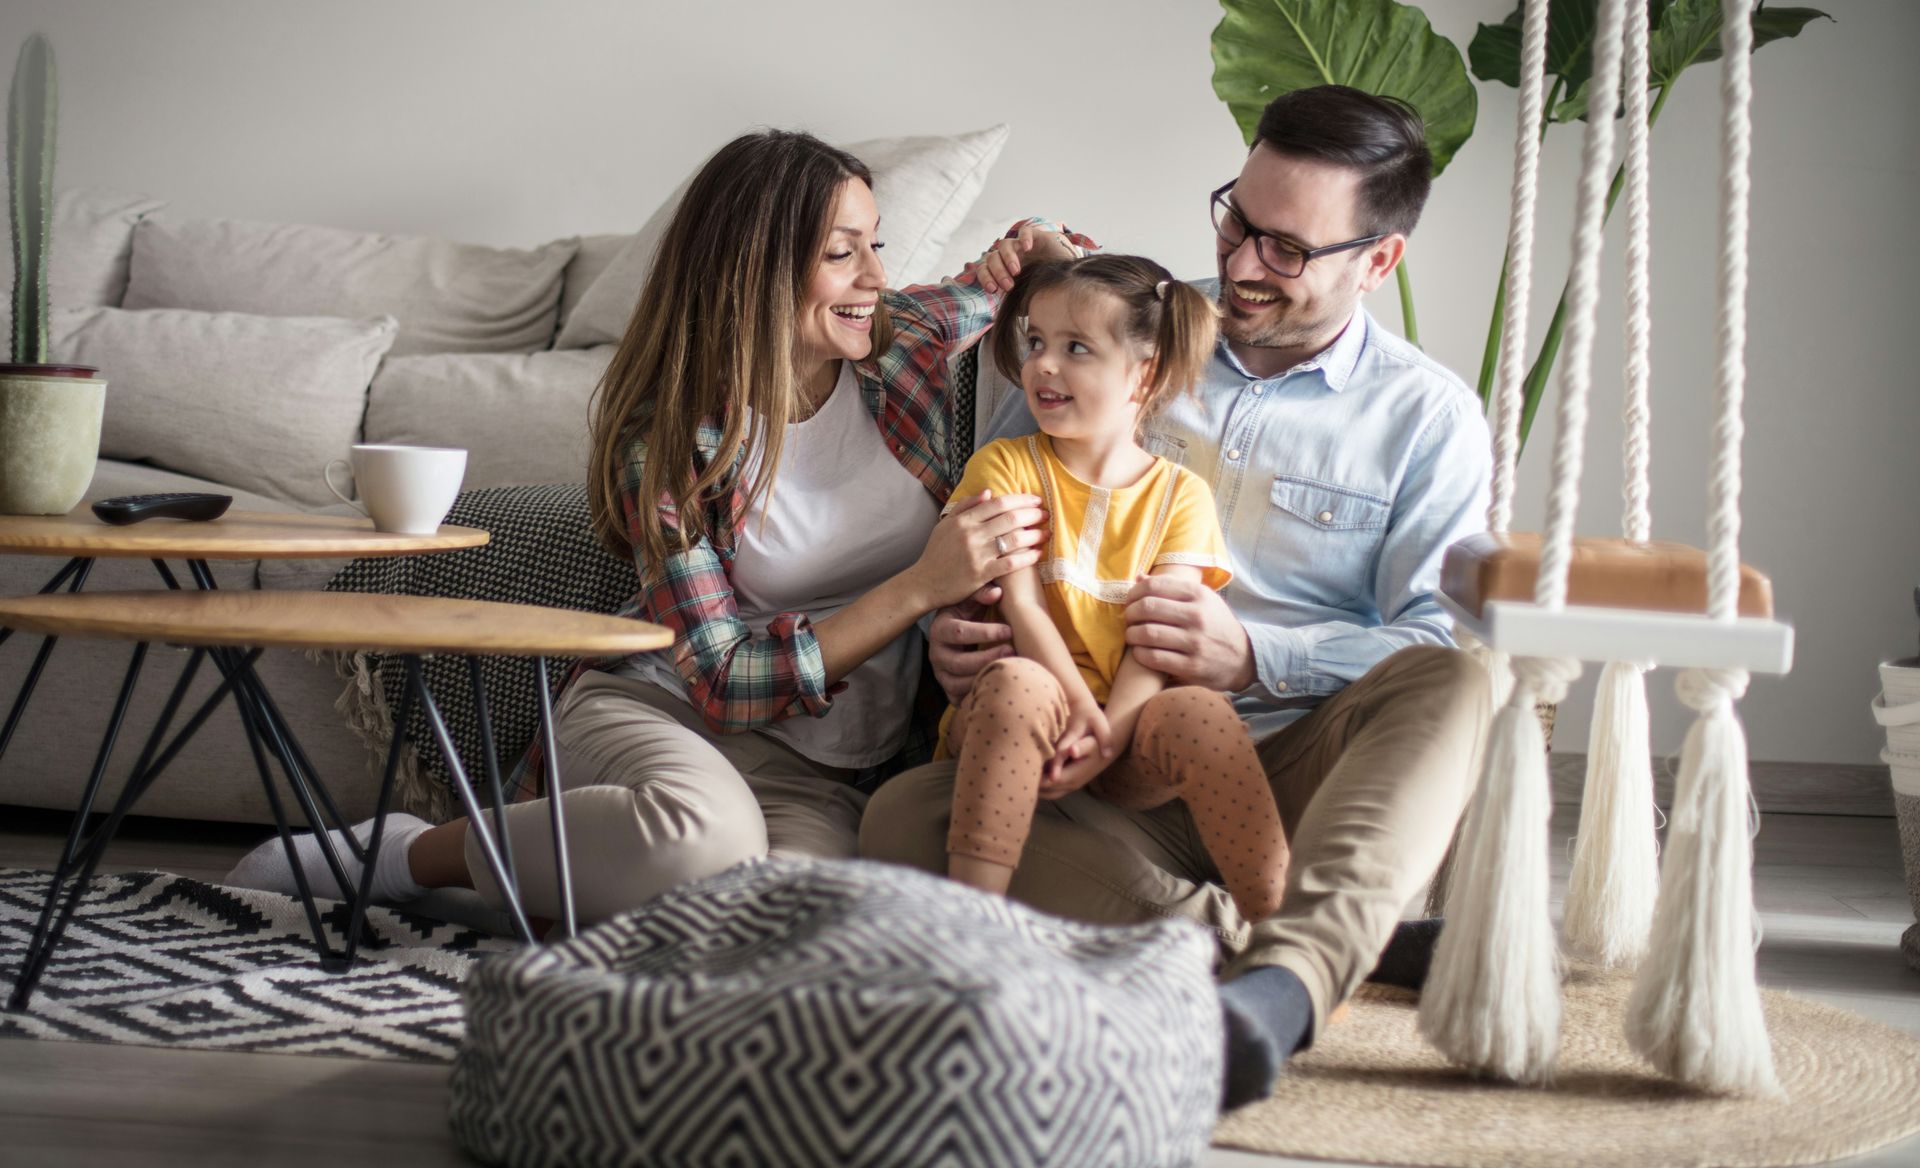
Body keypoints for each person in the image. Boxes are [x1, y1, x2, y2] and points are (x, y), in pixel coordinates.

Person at [226, 129, 1084, 927]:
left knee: (796, 929)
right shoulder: (672, 442)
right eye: (840, 252)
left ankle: (510, 900)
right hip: (667, 720)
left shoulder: (903, 344)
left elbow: (1016, 272)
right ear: (754, 271)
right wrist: (918, 589)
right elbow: (719, 679)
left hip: (821, 774)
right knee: (699, 842)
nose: (873, 276)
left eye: (875, 243)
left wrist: (1038, 240)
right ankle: (407, 857)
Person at [857, 85, 1495, 1109]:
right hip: (1098, 774)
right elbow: (998, 524)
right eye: (1236, 218)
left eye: (1288, 249)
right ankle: (1304, 944)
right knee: (899, 820)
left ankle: (1279, 989)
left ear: (1379, 261)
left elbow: (1428, 638)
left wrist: (1257, 655)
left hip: (1290, 769)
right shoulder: (1111, 330)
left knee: (1459, 685)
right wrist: (956, 634)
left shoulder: (1428, 419)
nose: (1243, 264)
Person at [939, 253, 1289, 926]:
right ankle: (971, 927)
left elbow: (1156, 642)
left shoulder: (1181, 496)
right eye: (1036, 342)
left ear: (1144, 375)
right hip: (1025, 718)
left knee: (1202, 715)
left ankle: (1285, 935)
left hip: (1125, 733)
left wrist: (1110, 735)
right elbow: (1021, 603)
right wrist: (1077, 709)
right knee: (1019, 684)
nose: (1043, 364)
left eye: (1077, 349)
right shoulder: (1005, 464)